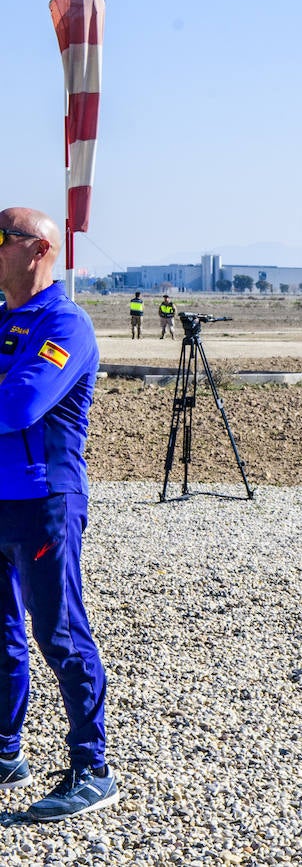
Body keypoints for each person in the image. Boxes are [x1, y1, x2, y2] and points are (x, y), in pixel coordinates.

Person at [0, 207, 118, 820]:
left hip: (46, 500)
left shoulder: (64, 324)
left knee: (59, 633)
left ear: (38, 249)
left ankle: (93, 766)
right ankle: (6, 750)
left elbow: (20, 404)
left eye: (2, 237)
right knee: (2, 635)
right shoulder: (5, 320)